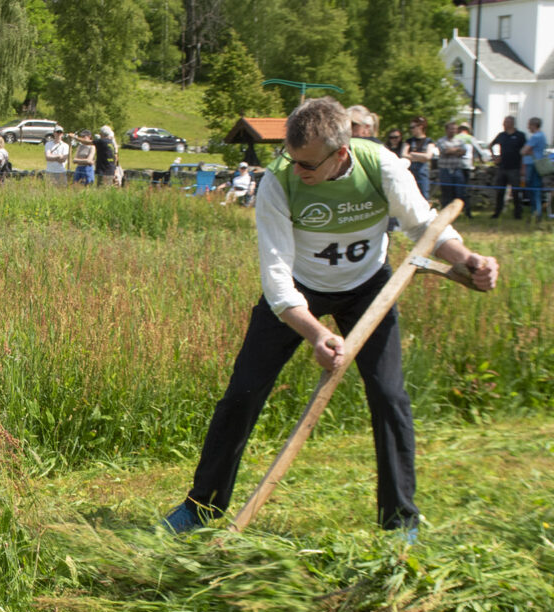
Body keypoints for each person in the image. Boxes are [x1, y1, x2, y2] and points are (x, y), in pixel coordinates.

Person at [160, 97, 498, 540]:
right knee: (242, 393)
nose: (297, 169)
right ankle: (201, 507)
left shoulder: (382, 168)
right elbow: (278, 283)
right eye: (291, 158)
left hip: (368, 287)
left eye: (308, 164)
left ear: (342, 153)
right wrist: (317, 334)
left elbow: (424, 229)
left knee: (389, 397)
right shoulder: (279, 182)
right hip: (301, 290)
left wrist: (469, 259)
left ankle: (400, 521)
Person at [489, 115, 527, 219]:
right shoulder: (501, 135)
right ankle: (497, 212)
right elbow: (491, 145)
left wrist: (523, 167)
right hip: (502, 167)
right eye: (504, 122)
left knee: (516, 192)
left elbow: (525, 152)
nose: (504, 124)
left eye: (506, 122)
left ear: (512, 123)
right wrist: (495, 157)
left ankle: (517, 214)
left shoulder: (520, 135)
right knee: (500, 191)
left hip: (515, 167)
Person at [435, 121, 468, 213]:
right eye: (451, 129)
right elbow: (445, 151)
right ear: (446, 130)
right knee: (446, 192)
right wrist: (457, 150)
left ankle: (460, 212)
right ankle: (445, 212)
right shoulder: (441, 141)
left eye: (455, 129)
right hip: (445, 169)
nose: (453, 131)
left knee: (460, 192)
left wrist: (453, 150)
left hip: (457, 169)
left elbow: (464, 151)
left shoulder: (460, 141)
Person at [521, 117, 547, 220]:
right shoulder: (543, 135)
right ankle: (536, 212)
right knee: (535, 189)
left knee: (533, 189)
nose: (528, 127)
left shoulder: (535, 137)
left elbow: (523, 151)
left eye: (529, 125)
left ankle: (536, 213)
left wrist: (527, 151)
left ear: (534, 125)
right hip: (537, 164)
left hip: (533, 165)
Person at [402, 116, 433, 200]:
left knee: (424, 196)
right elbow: (403, 154)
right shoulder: (409, 141)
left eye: (413, 127)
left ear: (420, 127)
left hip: (422, 174)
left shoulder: (429, 141)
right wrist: (421, 157)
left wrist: (412, 154)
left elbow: (428, 156)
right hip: (410, 173)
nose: (411, 129)